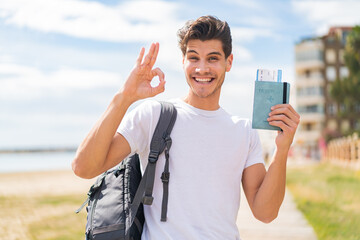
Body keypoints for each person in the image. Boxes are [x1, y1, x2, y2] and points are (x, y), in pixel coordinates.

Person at [72, 15, 300, 240]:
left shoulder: (243, 131)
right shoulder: (153, 115)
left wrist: (281, 151)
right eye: (194, 58)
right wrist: (124, 97)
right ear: (183, 61)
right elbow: (84, 167)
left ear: (228, 62)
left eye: (212, 58)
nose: (202, 69)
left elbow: (265, 213)